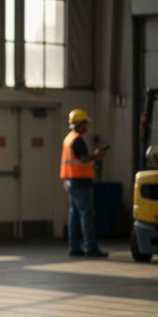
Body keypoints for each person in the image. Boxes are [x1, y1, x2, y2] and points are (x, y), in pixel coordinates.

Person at [60, 109, 108, 258]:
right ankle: (91, 247)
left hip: (71, 181)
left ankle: (74, 248)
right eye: (85, 123)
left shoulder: (69, 138)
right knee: (87, 214)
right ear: (80, 124)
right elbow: (84, 158)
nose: (86, 126)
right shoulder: (77, 139)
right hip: (80, 182)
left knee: (74, 214)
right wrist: (97, 156)